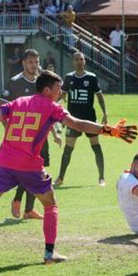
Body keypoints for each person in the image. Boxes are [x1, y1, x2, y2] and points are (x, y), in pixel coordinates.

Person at [0, 70, 137, 264]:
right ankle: (49, 253)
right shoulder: (52, 107)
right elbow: (78, 124)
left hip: (3, 163)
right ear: (47, 90)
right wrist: (109, 131)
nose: (61, 91)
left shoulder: (17, 102)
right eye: (58, 88)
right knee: (50, 204)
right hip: (29, 167)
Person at [0, 49, 58, 220]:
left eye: (36, 62)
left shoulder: (41, 84)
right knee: (26, 171)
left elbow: (47, 112)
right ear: (23, 63)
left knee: (37, 171)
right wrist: (11, 133)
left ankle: (29, 210)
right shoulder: (14, 83)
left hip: (40, 138)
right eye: (31, 62)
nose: (34, 65)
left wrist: (54, 134)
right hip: (22, 140)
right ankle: (17, 200)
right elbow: (0, 109)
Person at [53, 52, 108, 187]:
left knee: (95, 146)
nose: (79, 61)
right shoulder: (68, 78)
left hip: (89, 118)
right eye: (76, 59)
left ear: (85, 62)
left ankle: (101, 178)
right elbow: (62, 96)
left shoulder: (91, 78)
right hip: (72, 120)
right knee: (68, 149)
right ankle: (60, 178)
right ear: (73, 62)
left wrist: (105, 113)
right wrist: (56, 106)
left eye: (81, 59)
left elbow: (99, 97)